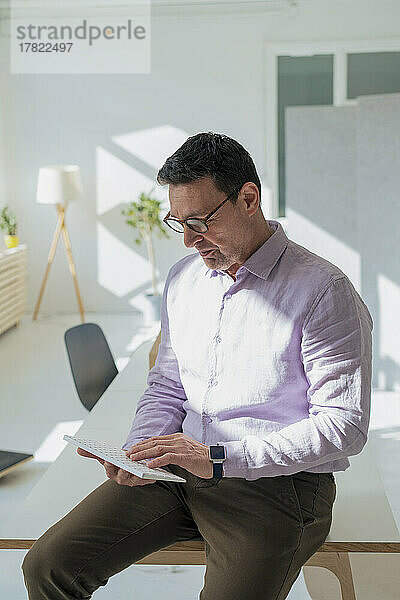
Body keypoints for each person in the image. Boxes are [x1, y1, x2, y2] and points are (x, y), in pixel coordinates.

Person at [22, 132, 373, 599]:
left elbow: (343, 426)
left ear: (249, 198)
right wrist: (141, 451)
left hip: (277, 488)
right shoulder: (184, 280)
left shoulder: (324, 291)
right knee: (47, 567)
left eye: (200, 221)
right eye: (178, 222)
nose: (188, 240)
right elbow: (168, 381)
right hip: (181, 469)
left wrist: (222, 459)